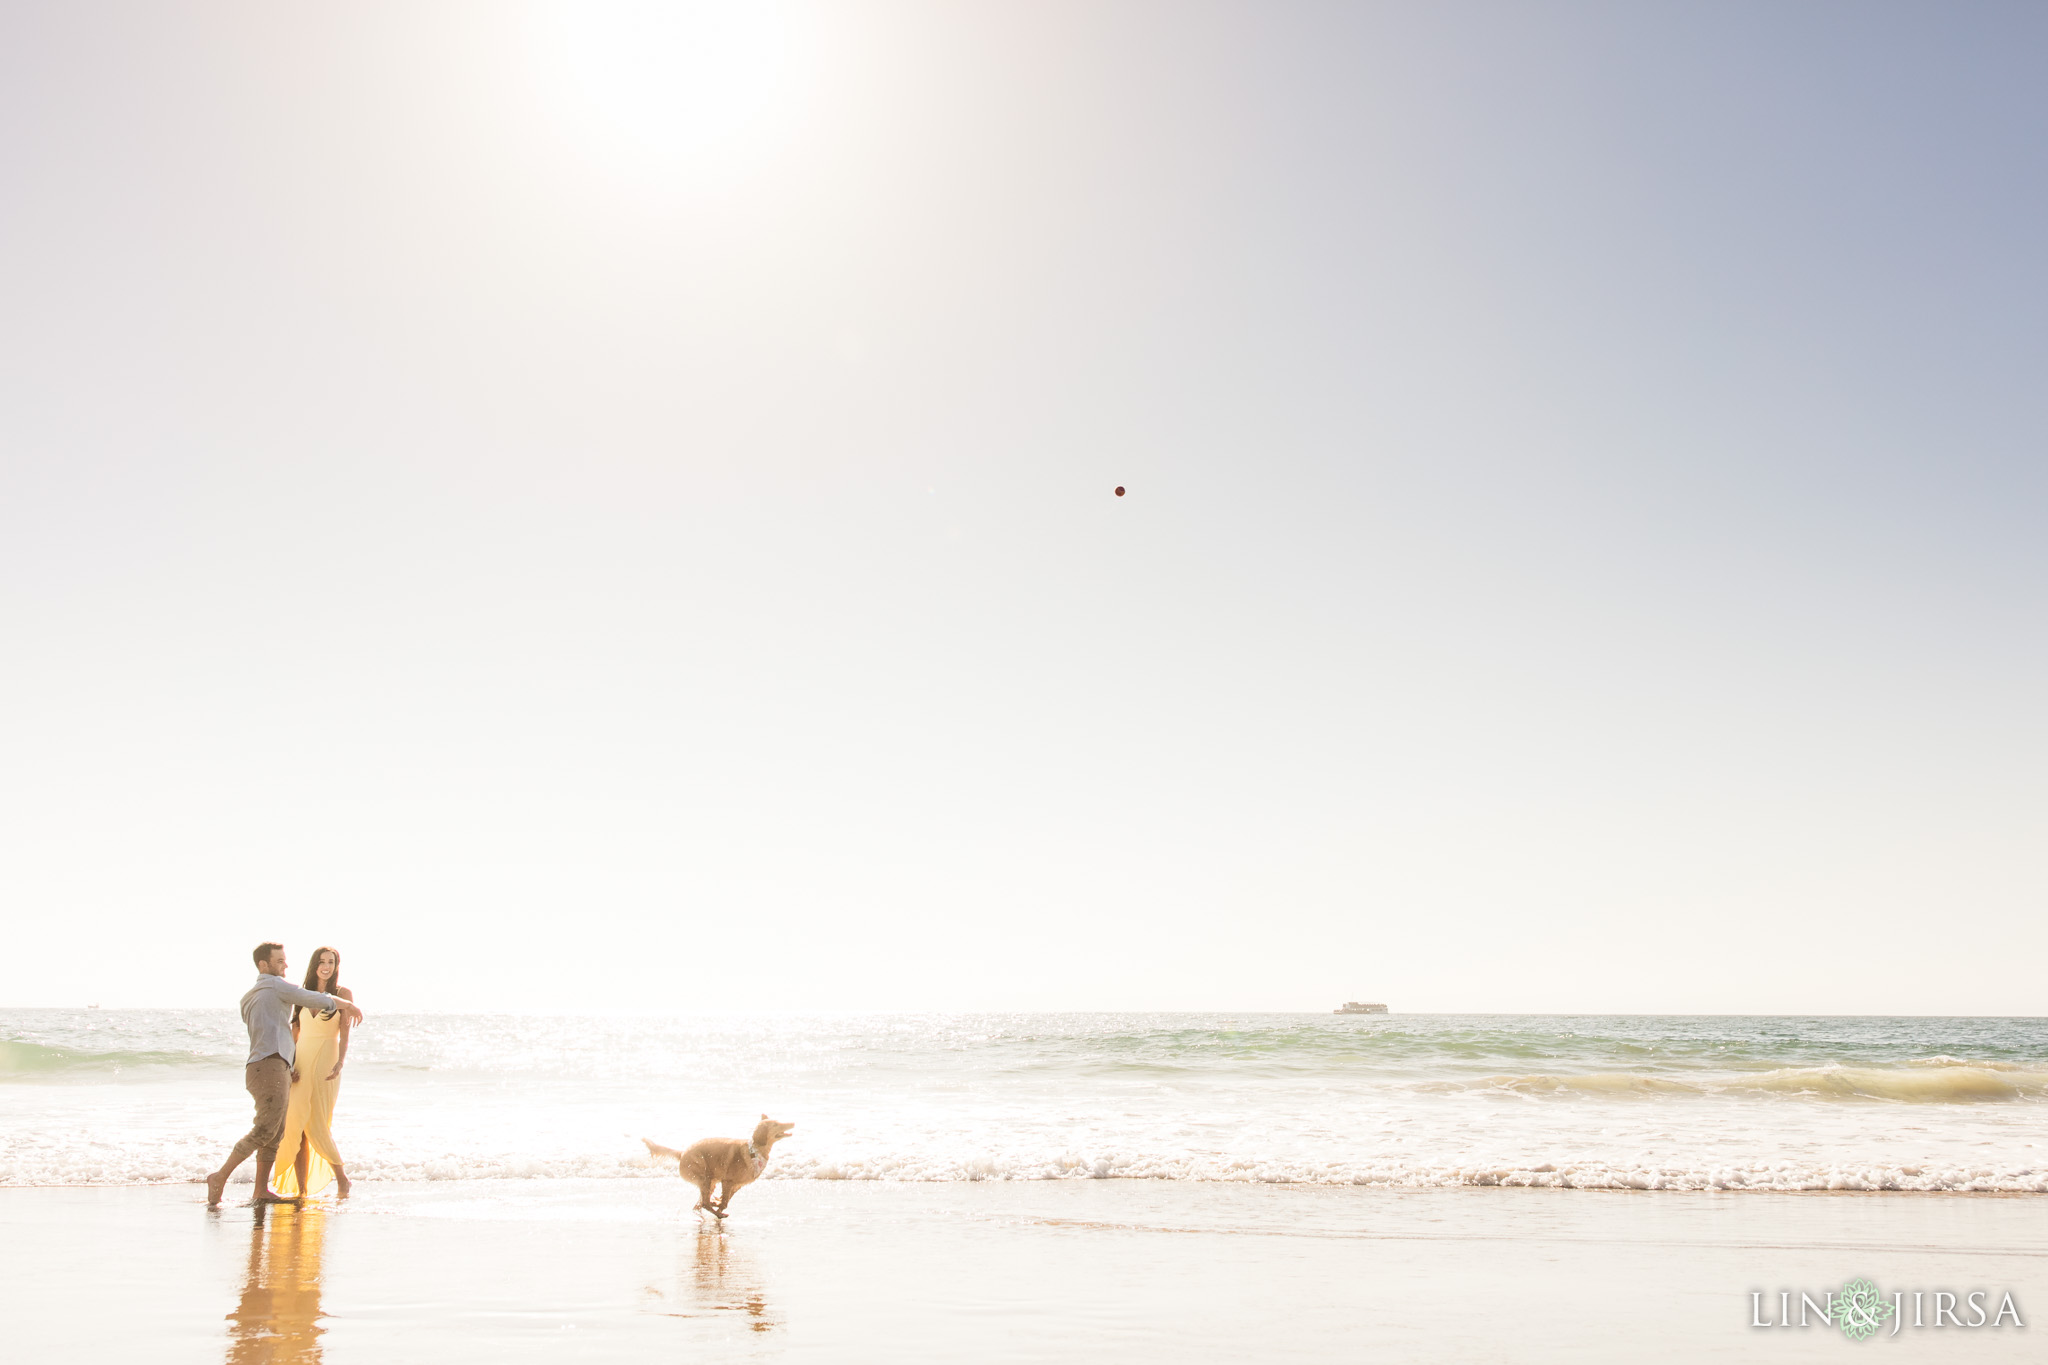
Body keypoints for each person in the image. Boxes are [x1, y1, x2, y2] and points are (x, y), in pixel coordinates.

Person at [206, 943, 364, 1207]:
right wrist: (350, 1005)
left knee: (278, 1129)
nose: (286, 965)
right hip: (273, 1065)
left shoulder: (249, 996)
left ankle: (261, 1190)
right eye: (280, 961)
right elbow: (319, 1002)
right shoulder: (277, 986)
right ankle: (220, 1176)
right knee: (267, 1129)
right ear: (263, 965)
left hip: (269, 1065)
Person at [270, 945, 356, 1200]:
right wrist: (289, 1065)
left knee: (317, 1122)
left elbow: (345, 1034)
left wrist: (341, 1062)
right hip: (301, 1062)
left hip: (327, 1061)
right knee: (296, 1124)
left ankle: (343, 1180)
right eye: (322, 961)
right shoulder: (302, 995)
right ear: (314, 965)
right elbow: (294, 1035)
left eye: (331, 961)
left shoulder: (343, 994)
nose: (326, 966)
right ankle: (302, 1190)